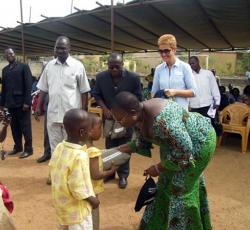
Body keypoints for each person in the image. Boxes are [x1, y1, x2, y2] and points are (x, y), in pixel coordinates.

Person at [111, 92, 216, 230]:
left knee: (179, 189)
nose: (119, 123)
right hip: (174, 146)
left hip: (198, 143)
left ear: (132, 113)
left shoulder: (163, 121)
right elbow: (139, 142)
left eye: (120, 119)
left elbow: (184, 151)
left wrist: (158, 168)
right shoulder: (139, 116)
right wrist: (115, 151)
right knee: (165, 184)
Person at [92, 52, 142, 189]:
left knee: (125, 146)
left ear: (123, 65)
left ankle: (123, 175)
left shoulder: (133, 78)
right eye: (111, 67)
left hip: (126, 119)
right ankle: (109, 173)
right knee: (110, 145)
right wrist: (105, 109)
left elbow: (138, 97)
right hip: (109, 118)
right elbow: (96, 94)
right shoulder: (101, 77)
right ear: (107, 65)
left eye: (117, 67)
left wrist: (127, 113)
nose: (114, 70)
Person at [35, 36, 90, 155]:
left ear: (69, 48)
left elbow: (84, 90)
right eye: (57, 48)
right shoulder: (49, 66)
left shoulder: (78, 66)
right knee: (55, 147)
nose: (60, 51)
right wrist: (38, 107)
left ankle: (70, 173)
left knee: (71, 148)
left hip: (71, 116)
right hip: (53, 114)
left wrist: (84, 111)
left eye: (63, 48)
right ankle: (57, 173)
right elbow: (43, 89)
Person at [49, 109, 99, 229]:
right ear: (82, 132)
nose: (91, 131)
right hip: (77, 210)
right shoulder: (79, 156)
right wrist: (92, 200)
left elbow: (52, 168)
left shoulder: (60, 147)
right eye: (89, 129)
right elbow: (78, 187)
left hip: (63, 205)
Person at [87, 113, 119, 230]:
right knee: (92, 217)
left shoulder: (78, 148)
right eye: (99, 128)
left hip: (80, 190)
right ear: (90, 131)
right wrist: (111, 171)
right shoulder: (93, 151)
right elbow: (95, 175)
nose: (101, 131)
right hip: (91, 191)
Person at [0, 48, 33, 159]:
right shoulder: (4, 70)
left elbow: (28, 85)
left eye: (11, 53)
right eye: (7, 54)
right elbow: (4, 89)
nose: (9, 55)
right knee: (14, 127)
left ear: (15, 54)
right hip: (10, 104)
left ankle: (29, 149)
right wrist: (2, 103)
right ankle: (18, 147)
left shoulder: (23, 67)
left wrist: (27, 102)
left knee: (25, 127)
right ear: (5, 56)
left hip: (22, 104)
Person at [151, 34, 196, 110]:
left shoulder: (184, 67)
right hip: (163, 114)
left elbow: (193, 92)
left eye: (166, 51)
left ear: (174, 49)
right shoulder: (159, 69)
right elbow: (153, 92)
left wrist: (175, 92)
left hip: (180, 115)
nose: (163, 54)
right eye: (161, 51)